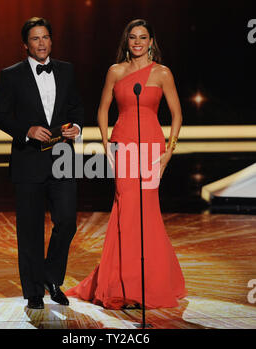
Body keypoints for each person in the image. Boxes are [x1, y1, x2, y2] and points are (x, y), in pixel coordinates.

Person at [66, 19, 187, 309]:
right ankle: (122, 284)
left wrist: (169, 151)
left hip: (152, 149)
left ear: (151, 41)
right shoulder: (115, 71)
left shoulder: (162, 73)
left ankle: (151, 283)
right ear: (127, 40)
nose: (137, 42)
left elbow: (177, 114)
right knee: (126, 210)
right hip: (123, 147)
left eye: (143, 38)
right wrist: (106, 143)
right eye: (132, 37)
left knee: (147, 213)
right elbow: (102, 109)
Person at [0, 17, 84, 309]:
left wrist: (77, 128)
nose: (42, 43)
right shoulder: (11, 75)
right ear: (25, 45)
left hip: (63, 159)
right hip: (28, 161)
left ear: (51, 41)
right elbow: (0, 115)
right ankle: (34, 292)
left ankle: (50, 276)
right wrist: (27, 131)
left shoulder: (67, 70)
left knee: (67, 221)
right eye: (35, 39)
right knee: (30, 229)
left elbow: (77, 107)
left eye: (45, 37)